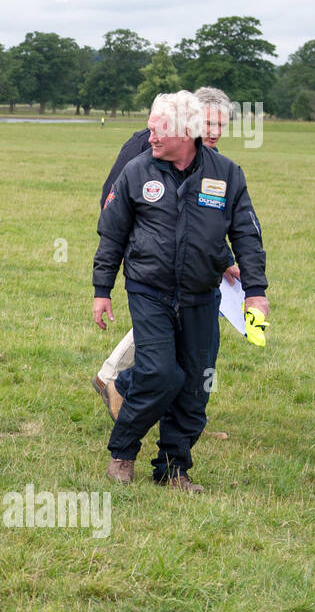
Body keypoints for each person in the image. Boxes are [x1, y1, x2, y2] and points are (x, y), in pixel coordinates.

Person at [92, 91, 268, 492]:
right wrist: (103, 288)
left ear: (185, 132)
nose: (149, 136)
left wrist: (254, 290)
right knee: (160, 372)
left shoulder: (226, 173)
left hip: (201, 295)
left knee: (195, 384)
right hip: (148, 289)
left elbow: (245, 234)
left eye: (158, 130)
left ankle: (173, 470)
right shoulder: (138, 169)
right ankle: (123, 452)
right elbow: (111, 231)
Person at [92, 87, 238, 418]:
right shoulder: (147, 143)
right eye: (209, 123)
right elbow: (113, 198)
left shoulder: (203, 157)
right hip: (143, 247)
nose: (214, 132)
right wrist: (133, 248)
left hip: (184, 259)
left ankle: (134, 386)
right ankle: (115, 378)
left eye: (221, 126)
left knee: (179, 317)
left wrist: (226, 259)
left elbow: (203, 217)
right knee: (162, 314)